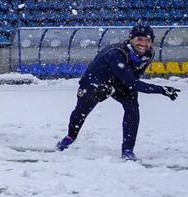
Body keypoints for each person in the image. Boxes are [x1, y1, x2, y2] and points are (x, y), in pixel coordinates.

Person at [56, 24, 179, 160]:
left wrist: (120, 87)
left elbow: (133, 79)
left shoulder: (149, 53)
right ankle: (69, 137)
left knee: (133, 109)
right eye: (139, 39)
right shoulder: (116, 53)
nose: (143, 44)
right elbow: (133, 82)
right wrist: (161, 89)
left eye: (147, 40)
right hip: (96, 82)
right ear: (131, 39)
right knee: (82, 110)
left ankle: (127, 150)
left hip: (121, 82)